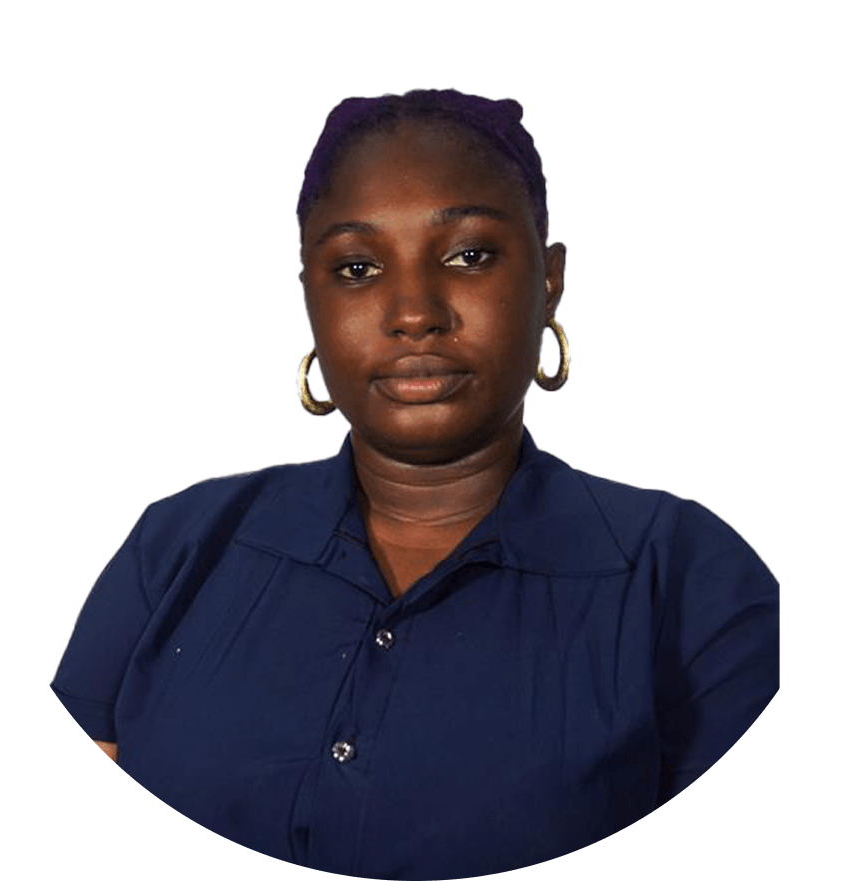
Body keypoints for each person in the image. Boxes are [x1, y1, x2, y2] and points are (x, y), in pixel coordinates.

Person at [51, 89, 779, 880]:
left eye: (468, 255)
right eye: (356, 268)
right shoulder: (178, 546)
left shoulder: (690, 581)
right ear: (311, 297)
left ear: (548, 281)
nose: (412, 313)